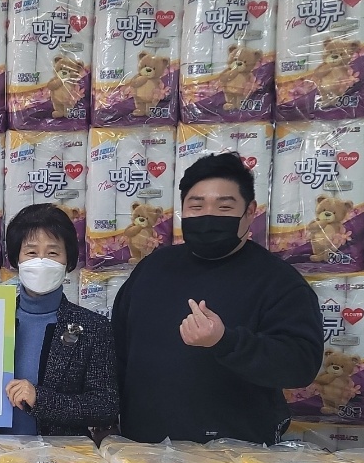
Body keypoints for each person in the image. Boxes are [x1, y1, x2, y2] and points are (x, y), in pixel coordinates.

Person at [110, 151, 323, 445]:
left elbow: (300, 366)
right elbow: (118, 349)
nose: (208, 216)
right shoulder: (153, 268)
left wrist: (225, 341)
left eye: (224, 207)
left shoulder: (278, 281)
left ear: (250, 212)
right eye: (196, 206)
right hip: (143, 450)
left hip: (238, 456)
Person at [4, 204, 118, 437]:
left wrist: (41, 399)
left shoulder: (93, 328)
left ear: (68, 261)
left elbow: (105, 406)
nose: (41, 261)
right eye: (31, 252)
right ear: (17, 259)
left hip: (61, 455)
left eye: (53, 253)